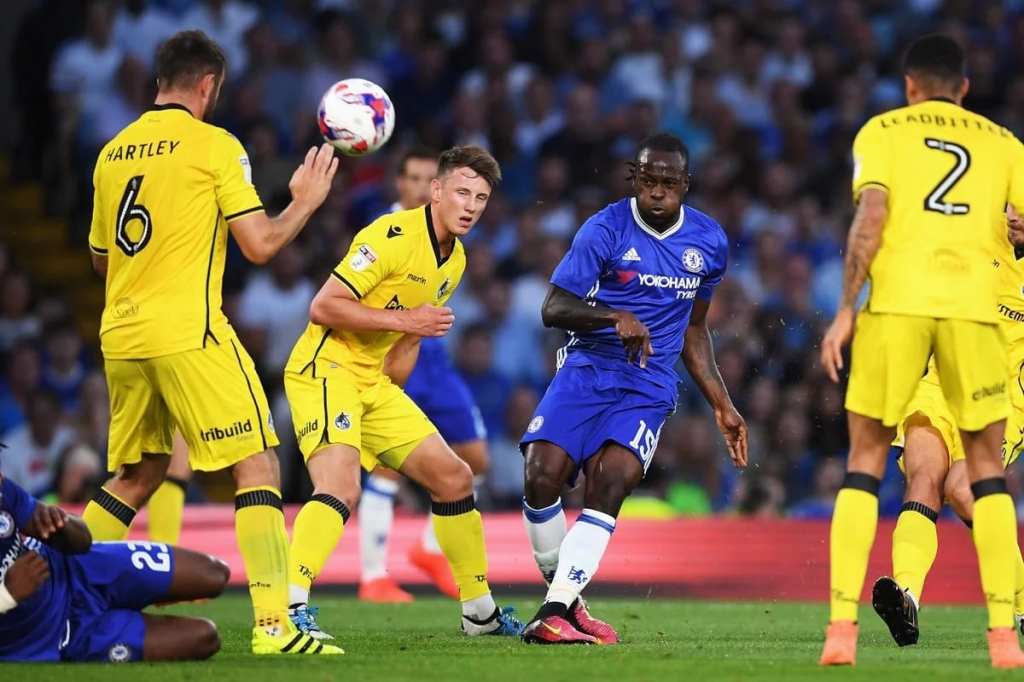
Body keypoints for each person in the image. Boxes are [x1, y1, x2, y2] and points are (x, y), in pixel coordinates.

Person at [81, 30, 342, 656]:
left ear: (159, 81)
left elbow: (99, 260)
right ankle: (275, 628)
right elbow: (260, 244)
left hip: (121, 333)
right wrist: (303, 203)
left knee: (136, 475)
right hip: (189, 330)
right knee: (258, 463)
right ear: (208, 85)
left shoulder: (112, 152)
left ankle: (50, 594)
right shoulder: (215, 144)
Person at [818, 34, 1024, 668]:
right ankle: (931, 604)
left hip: (932, 316)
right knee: (931, 472)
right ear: (964, 88)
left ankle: (842, 632)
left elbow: (870, 216)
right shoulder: (1005, 146)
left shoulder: (882, 131)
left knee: (926, 476)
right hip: (971, 328)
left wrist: (847, 307)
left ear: (909, 86)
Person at [284, 144, 524, 643]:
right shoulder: (389, 235)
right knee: (340, 486)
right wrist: (405, 321)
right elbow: (324, 306)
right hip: (325, 368)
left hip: (374, 381)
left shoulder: (453, 260)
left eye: (480, 198)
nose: (471, 206)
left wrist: (393, 404)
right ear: (435, 191)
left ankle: (478, 614)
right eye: (462, 192)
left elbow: (410, 339)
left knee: (454, 477)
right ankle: (287, 608)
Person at [518, 132, 748, 645]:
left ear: (685, 185)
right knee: (540, 475)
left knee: (613, 480)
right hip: (587, 365)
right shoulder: (604, 228)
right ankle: (570, 607)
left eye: (669, 183)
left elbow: (693, 329)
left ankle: (552, 612)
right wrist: (612, 316)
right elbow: (553, 306)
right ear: (635, 179)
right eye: (649, 181)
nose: (658, 192)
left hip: (649, 382)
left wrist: (722, 404)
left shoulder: (709, 243)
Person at [870, 207, 1024, 646]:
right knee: (924, 478)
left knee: (962, 488)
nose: (1013, 216)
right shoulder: (977, 235)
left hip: (1002, 401)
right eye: (1010, 205)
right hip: (941, 383)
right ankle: (907, 598)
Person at [357, 146, 490, 603]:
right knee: (386, 471)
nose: (418, 187)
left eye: (424, 178)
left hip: (433, 363)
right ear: (406, 185)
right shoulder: (386, 234)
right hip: (390, 360)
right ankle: (373, 575)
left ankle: (429, 548)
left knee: (476, 462)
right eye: (412, 178)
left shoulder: (453, 249)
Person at [0, 465, 230, 662]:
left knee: (214, 574)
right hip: (57, 636)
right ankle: (120, 618)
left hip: (74, 569)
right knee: (205, 637)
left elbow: (82, 540)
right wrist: (8, 595)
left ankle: (135, 594)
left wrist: (61, 525)